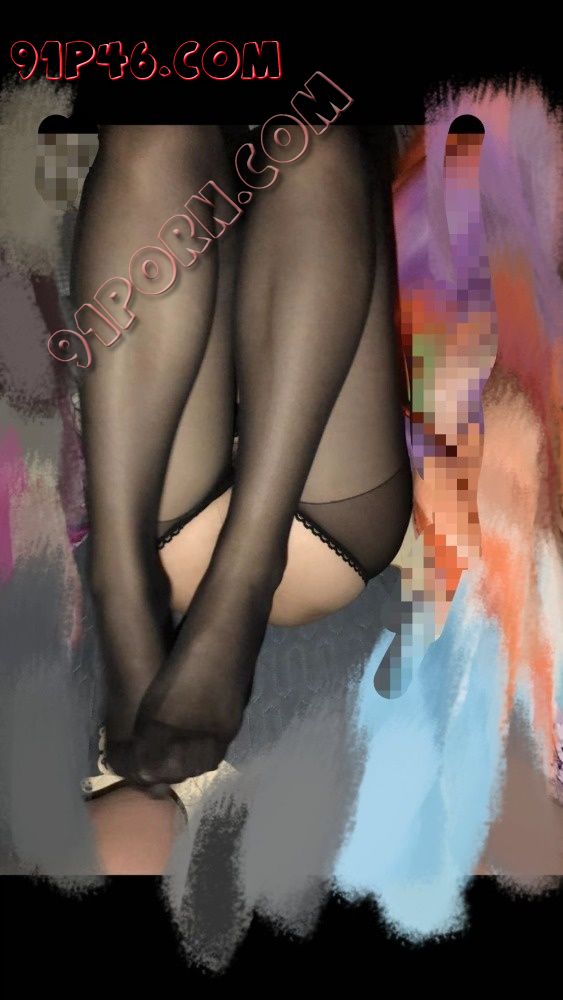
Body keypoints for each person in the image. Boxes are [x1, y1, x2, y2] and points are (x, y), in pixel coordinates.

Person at [69, 121, 413, 872]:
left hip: (240, 532)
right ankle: (134, 577)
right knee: (286, 139)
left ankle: (225, 574)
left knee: (290, 141)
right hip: (311, 535)